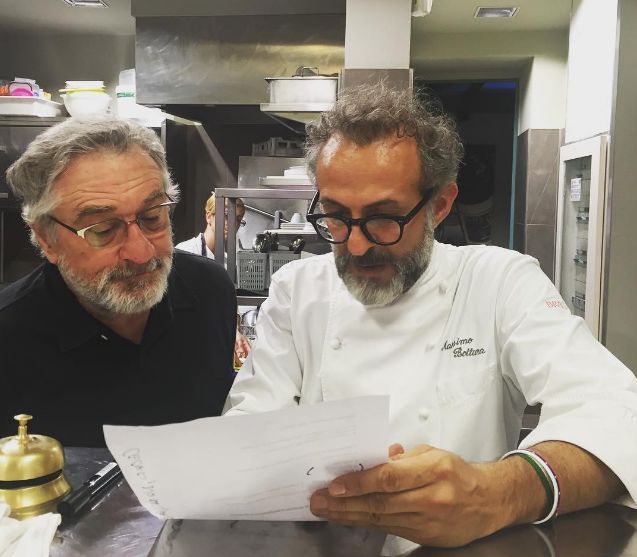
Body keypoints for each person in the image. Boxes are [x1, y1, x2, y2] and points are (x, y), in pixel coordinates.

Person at [225, 83, 637, 548]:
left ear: (439, 205)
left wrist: (501, 493)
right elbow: (250, 429)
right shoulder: (297, 291)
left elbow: (616, 413)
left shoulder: (498, 282)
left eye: (384, 217)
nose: (356, 245)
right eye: (337, 217)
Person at [0, 118, 237, 447]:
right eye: (102, 230)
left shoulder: (208, 292)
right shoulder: (9, 338)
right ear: (46, 239)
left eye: (153, 217)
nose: (141, 253)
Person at [176, 192, 251, 363]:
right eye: (226, 216)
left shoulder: (227, 262)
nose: (232, 224)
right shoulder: (186, 253)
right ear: (209, 217)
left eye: (238, 219)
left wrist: (235, 334)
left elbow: (228, 306)